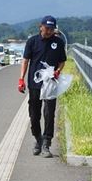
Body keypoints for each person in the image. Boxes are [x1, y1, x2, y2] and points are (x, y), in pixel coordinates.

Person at [17, 15, 67, 158]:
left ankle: (46, 143)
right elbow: (25, 60)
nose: (49, 31)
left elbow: (62, 61)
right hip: (35, 82)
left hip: (50, 83)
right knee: (34, 114)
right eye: (46, 28)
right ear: (41, 27)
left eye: (51, 29)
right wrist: (21, 79)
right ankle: (37, 138)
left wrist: (58, 71)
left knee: (49, 113)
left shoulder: (58, 42)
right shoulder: (32, 41)